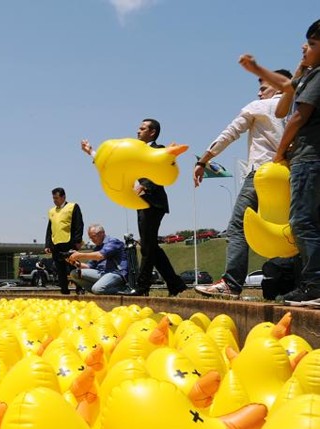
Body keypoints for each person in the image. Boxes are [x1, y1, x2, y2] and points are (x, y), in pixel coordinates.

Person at [241, 22, 320, 305]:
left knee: (303, 221)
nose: (303, 48)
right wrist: (258, 69)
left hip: (309, 157)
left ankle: (314, 286)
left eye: (311, 43)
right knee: (308, 221)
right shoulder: (310, 76)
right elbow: (284, 100)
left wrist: (280, 151)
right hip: (306, 158)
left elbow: (297, 117)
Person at [193, 70, 289, 298]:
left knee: (238, 226)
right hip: (289, 177)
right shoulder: (298, 111)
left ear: (278, 86)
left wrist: (204, 159)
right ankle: (296, 281)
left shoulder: (259, 107)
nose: (259, 92)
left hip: (261, 174)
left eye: (263, 87)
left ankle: (231, 283)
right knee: (288, 229)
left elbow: (230, 133)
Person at [82, 119, 187, 297]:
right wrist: (91, 152)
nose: (138, 131)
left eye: (142, 128)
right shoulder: (135, 152)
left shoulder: (158, 149)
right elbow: (114, 162)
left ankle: (142, 287)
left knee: (147, 247)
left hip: (153, 202)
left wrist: (143, 185)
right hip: (142, 204)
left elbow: (158, 169)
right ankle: (176, 284)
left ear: (152, 132)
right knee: (152, 247)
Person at [66, 224, 130, 295]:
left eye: (93, 236)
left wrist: (79, 255)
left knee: (97, 289)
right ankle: (100, 290)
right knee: (75, 273)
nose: (92, 240)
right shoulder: (97, 247)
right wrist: (75, 263)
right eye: (90, 238)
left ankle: (124, 289)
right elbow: (89, 267)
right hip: (102, 273)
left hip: (116, 273)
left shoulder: (113, 242)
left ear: (102, 233)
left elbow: (100, 255)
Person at [44, 187, 84, 295]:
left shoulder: (73, 207)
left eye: (56, 198)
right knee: (60, 269)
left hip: (69, 243)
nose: (54, 200)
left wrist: (77, 241)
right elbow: (49, 228)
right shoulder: (51, 211)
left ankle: (80, 289)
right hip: (56, 244)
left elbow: (79, 224)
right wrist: (48, 244)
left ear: (63, 197)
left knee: (73, 267)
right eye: (53, 198)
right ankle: (64, 291)